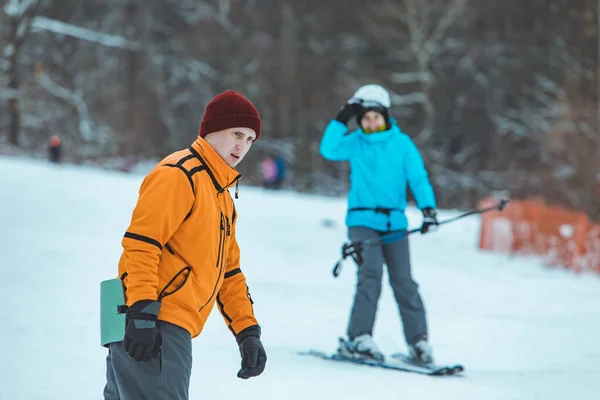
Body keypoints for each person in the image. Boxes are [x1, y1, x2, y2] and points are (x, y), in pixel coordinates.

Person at [103, 90, 267, 400]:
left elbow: (229, 272)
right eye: (237, 134)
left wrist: (247, 331)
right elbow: (142, 244)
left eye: (249, 139)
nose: (241, 146)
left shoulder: (222, 197)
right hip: (152, 319)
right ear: (212, 129)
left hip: (163, 322)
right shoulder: (180, 174)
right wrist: (142, 312)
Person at [319, 84, 439, 365]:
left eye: (376, 117)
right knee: (370, 276)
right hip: (362, 221)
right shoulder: (355, 142)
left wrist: (428, 208)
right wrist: (340, 119)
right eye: (365, 118)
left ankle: (418, 341)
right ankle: (358, 337)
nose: (371, 123)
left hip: (395, 222)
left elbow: (418, 177)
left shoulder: (402, 144)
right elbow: (328, 149)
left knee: (404, 282)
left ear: (386, 116)